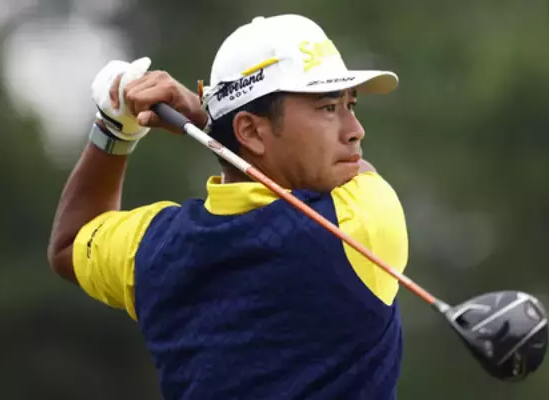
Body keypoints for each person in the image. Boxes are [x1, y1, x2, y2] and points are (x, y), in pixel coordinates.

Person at [47, 13, 409, 400]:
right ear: (250, 131)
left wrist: (115, 125)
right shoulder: (360, 225)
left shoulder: (152, 246)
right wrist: (207, 118)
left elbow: (70, 242)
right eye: (328, 108)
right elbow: (360, 171)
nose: (355, 130)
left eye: (350, 105)